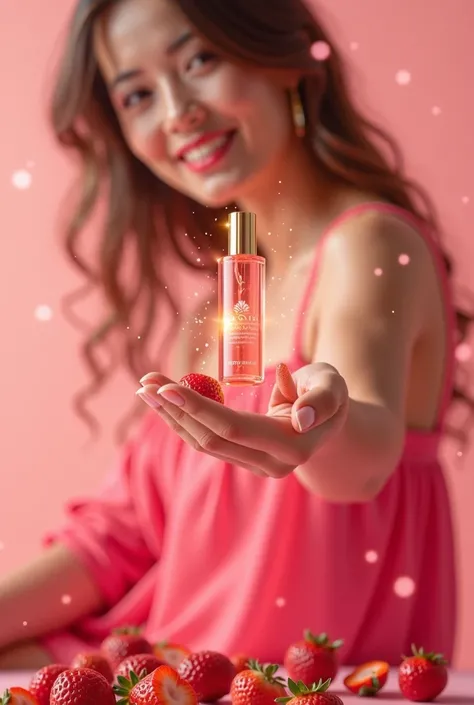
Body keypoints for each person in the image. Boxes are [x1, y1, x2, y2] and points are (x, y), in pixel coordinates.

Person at [0, 0, 463, 670]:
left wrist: (318, 426)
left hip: (289, 676)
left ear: (281, 56)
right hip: (174, 659)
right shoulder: (223, 308)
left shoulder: (369, 244)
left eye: (198, 60)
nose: (176, 110)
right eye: (136, 94)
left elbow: (365, 463)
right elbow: (118, 537)